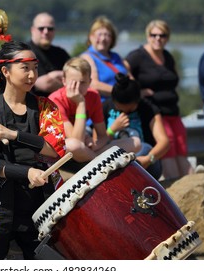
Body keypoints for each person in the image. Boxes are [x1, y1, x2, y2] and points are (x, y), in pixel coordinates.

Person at [0, 41, 66, 260]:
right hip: (0, 200)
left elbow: (54, 149)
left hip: (43, 200)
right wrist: (27, 173)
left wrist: (14, 135)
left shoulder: (46, 106)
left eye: (35, 67)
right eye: (25, 68)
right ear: (6, 71)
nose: (32, 74)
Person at [125, 19, 193, 180]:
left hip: (173, 112)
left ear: (167, 38)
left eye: (162, 35)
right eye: (153, 35)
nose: (157, 38)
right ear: (147, 36)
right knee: (168, 152)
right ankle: (177, 194)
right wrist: (138, 91)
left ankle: (193, 189)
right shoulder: (138, 56)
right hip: (156, 114)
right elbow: (122, 72)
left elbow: (173, 80)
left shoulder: (167, 57)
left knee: (182, 153)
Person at [49, 57, 140, 164]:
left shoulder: (93, 96)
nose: (77, 87)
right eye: (73, 82)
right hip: (62, 153)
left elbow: (103, 136)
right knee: (73, 145)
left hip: (84, 150)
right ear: (64, 81)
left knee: (135, 142)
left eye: (82, 82)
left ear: (90, 82)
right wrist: (81, 103)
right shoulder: (55, 100)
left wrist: (93, 145)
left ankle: (93, 159)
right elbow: (76, 140)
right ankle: (98, 162)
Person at [105, 73, 170, 180]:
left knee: (145, 147)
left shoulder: (148, 108)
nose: (125, 113)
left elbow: (164, 142)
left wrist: (148, 159)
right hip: (115, 162)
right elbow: (97, 143)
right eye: (120, 109)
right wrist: (113, 130)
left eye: (130, 110)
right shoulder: (106, 107)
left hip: (146, 163)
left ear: (137, 101)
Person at [80, 16, 131, 119]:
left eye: (107, 35)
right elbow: (93, 84)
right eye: (100, 35)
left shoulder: (116, 57)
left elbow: (129, 77)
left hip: (123, 107)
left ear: (112, 39)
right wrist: (121, 93)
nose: (103, 39)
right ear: (91, 37)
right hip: (102, 110)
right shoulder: (87, 58)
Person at [29, 12, 70, 97]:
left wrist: (54, 75)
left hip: (60, 104)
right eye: (41, 28)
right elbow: (45, 84)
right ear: (32, 30)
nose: (46, 31)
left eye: (50, 28)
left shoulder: (61, 53)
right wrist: (67, 78)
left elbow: (78, 75)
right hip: (34, 106)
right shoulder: (26, 52)